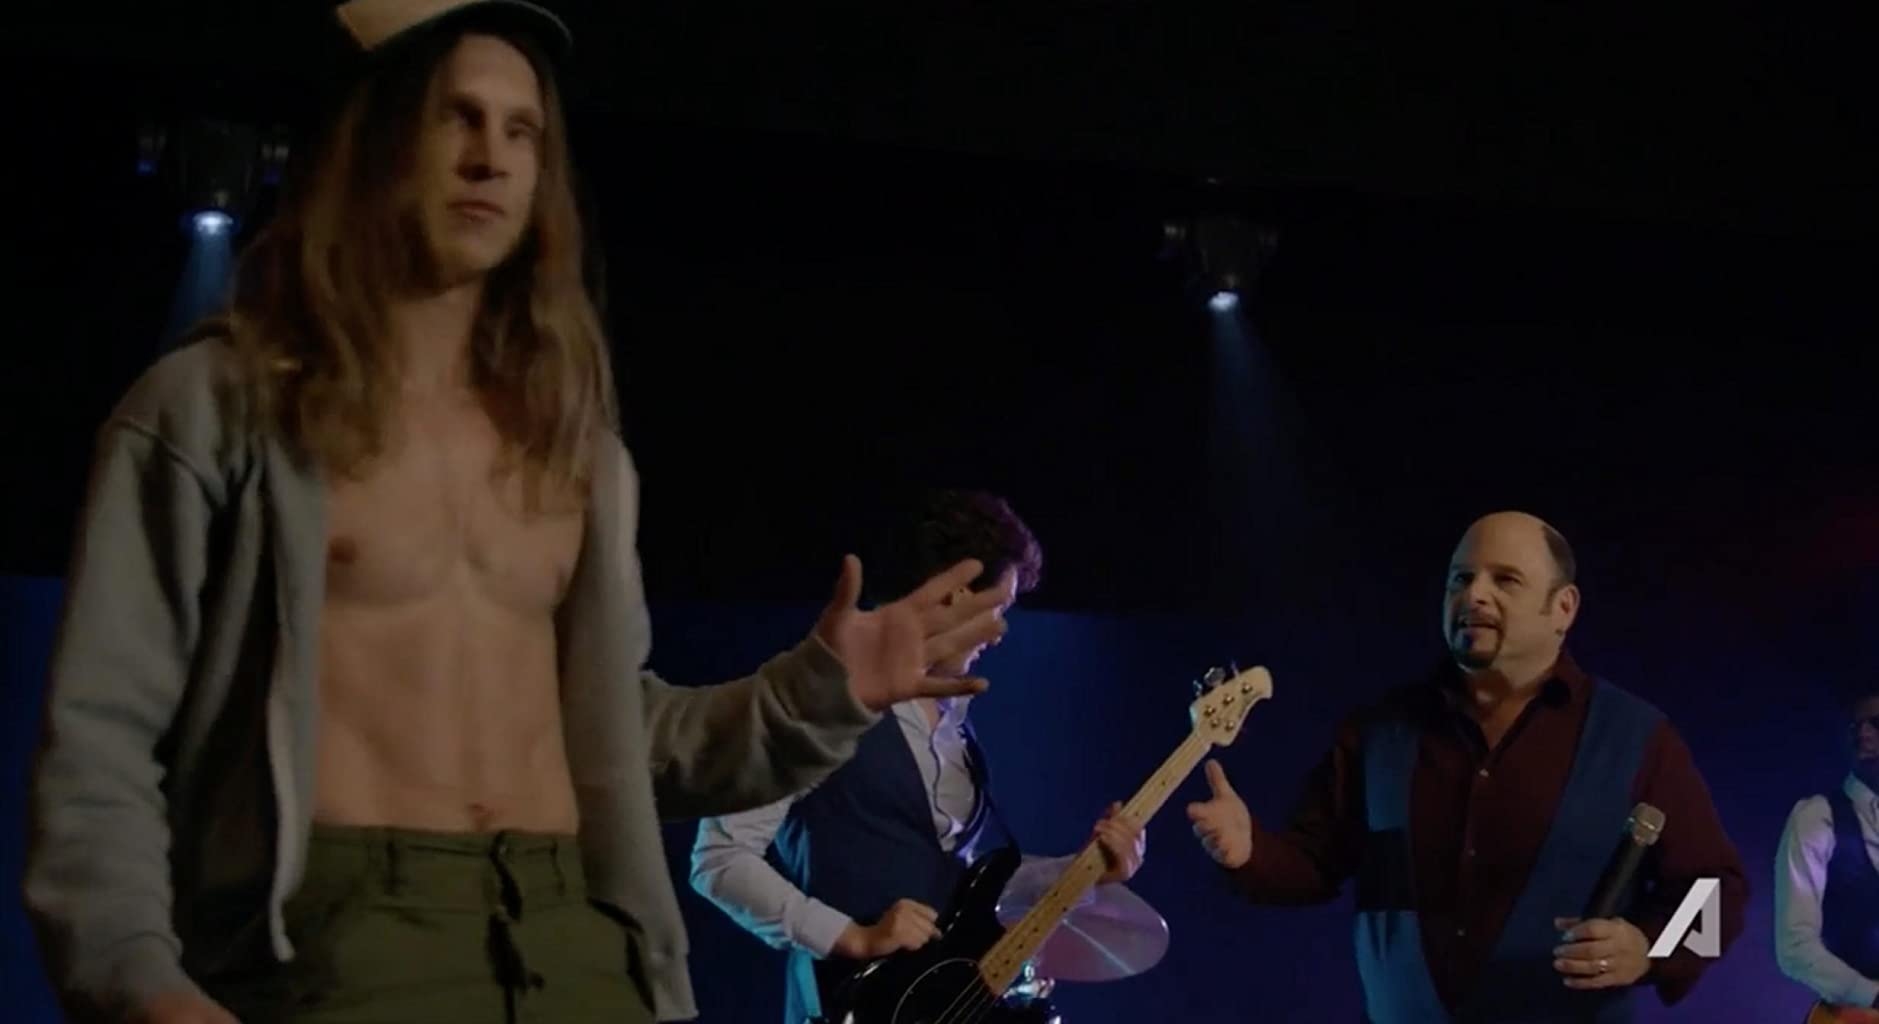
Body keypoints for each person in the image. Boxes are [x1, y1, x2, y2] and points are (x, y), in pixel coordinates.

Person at [22, 4, 1014, 1023]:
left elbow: (631, 738)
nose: (489, 157)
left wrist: (821, 691)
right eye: (456, 118)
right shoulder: (212, 408)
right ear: (377, 143)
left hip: (582, 940)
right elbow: (99, 749)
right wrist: (141, 985)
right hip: (348, 939)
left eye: (520, 130)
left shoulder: (575, 453)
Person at [1186, 511, 1748, 1022]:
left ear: (1564, 608)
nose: (1474, 594)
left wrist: (1650, 947)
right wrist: (1248, 852)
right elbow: (1313, 864)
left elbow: (1720, 895)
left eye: (1506, 580)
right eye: (1461, 579)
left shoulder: (1638, 738)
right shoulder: (1379, 731)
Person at [689, 490, 1147, 1024]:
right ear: (954, 594)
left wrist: (1084, 870)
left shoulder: (956, 723)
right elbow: (719, 859)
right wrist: (852, 936)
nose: (1000, 634)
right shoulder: (817, 695)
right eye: (998, 609)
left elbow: (966, 886)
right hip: (847, 1007)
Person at [1774, 687, 1879, 1019]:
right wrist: (1872, 996)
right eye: (1855, 726)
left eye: (1876, 723)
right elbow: (1795, 946)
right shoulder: (1817, 817)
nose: (1863, 734)